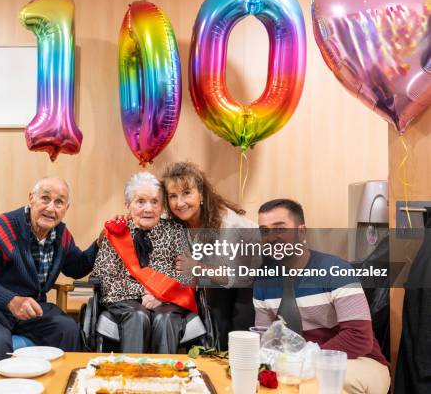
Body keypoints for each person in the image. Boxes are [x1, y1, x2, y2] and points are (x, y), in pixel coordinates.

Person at [0, 177, 99, 392]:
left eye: (59, 202)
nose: (50, 208)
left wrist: (99, 243)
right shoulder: (1, 229)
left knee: (68, 329)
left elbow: (76, 267)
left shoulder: (61, 234)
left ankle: (64, 389)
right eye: (45, 198)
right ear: (31, 199)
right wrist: (10, 300)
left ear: (66, 208)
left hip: (29, 309)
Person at [253, 199, 390, 394]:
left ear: (301, 232)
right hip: (298, 365)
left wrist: (306, 359)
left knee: (315, 385)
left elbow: (359, 337)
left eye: (280, 229)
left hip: (359, 360)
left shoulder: (335, 270)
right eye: (264, 231)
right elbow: (265, 339)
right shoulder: (263, 282)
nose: (271, 237)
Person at [92, 172, 196, 354]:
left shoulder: (176, 231)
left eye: (155, 202)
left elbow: (186, 274)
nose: (148, 208)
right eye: (141, 201)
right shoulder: (115, 233)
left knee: (165, 319)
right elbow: (105, 278)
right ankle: (133, 376)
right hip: (124, 301)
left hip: (168, 301)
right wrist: (145, 292)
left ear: (162, 206)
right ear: (128, 205)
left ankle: (165, 378)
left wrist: (161, 296)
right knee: (138, 316)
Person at [162, 161, 258, 348]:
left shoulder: (229, 225)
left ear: (202, 194)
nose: (179, 203)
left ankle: (231, 359)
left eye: (186, 193)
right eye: (173, 196)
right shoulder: (173, 219)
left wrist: (196, 267)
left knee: (223, 305)